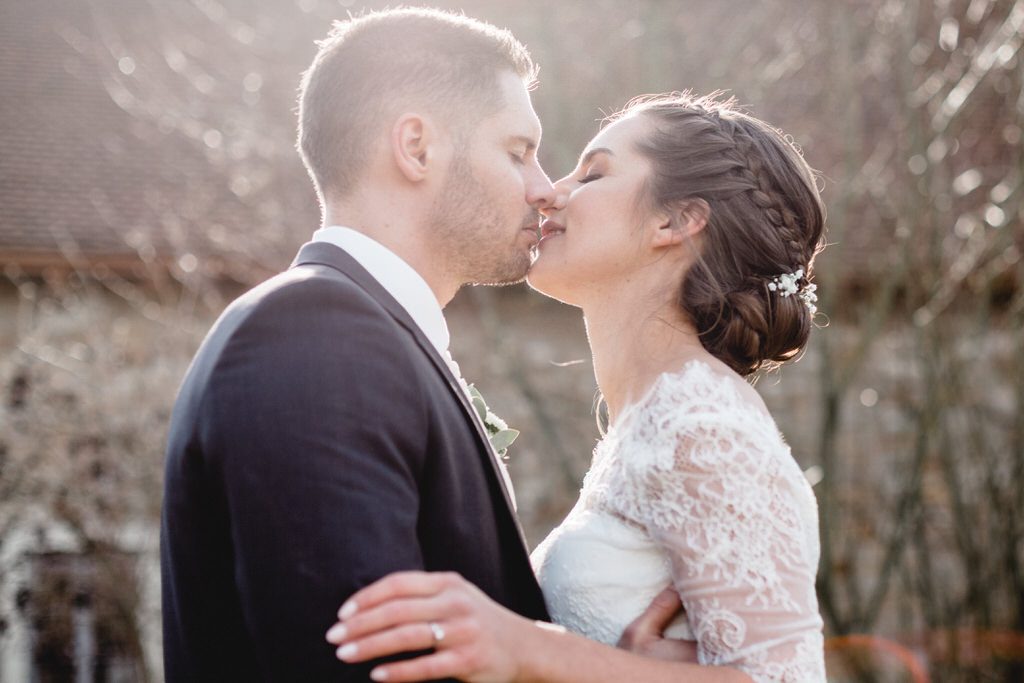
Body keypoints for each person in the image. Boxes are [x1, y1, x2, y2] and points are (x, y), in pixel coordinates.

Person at [325, 92, 828, 682]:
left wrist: (528, 650)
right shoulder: (649, 419)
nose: (551, 192)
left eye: (593, 172)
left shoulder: (704, 427)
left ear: (675, 221)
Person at [161, 9, 565, 681]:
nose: (544, 188)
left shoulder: (359, 333)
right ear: (416, 147)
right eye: (518, 152)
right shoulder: (311, 337)